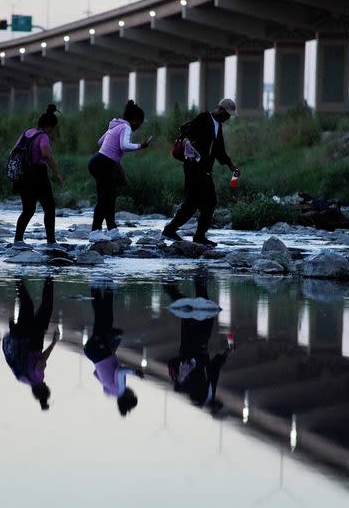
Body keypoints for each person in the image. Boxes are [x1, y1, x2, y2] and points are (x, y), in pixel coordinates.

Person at [162, 98, 240, 247]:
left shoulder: (218, 125)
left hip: (204, 169)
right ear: (221, 110)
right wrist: (186, 142)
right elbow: (187, 133)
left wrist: (232, 166)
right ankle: (197, 236)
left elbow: (219, 150)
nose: (228, 117)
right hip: (194, 167)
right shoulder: (204, 118)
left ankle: (172, 230)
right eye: (228, 114)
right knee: (209, 202)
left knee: (192, 203)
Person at [165, 273, 233, 416]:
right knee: (203, 312)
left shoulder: (199, 399)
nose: (221, 405)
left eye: (219, 409)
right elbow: (213, 371)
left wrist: (183, 377)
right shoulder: (210, 395)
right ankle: (198, 279)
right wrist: (227, 352)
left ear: (212, 410)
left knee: (190, 314)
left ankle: (170, 287)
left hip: (190, 351)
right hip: (201, 348)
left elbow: (181, 387)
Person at [87, 100, 152, 242]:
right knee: (104, 199)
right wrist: (141, 146)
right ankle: (94, 231)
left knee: (110, 197)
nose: (138, 127)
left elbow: (100, 142)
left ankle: (112, 230)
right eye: (139, 123)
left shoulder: (115, 126)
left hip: (99, 162)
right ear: (134, 120)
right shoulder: (126, 127)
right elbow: (124, 146)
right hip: (103, 164)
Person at [83, 281, 143, 416]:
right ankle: (97, 286)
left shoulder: (120, 390)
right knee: (103, 319)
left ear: (127, 397)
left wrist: (135, 372)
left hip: (100, 351)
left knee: (104, 319)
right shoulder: (109, 390)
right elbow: (96, 374)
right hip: (92, 352)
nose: (131, 390)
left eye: (132, 394)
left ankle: (104, 287)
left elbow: (120, 372)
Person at [13, 104, 64, 250]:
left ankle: (17, 241)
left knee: (28, 209)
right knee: (49, 208)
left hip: (23, 175)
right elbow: (46, 155)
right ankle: (51, 243)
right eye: (53, 129)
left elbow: (14, 151)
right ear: (50, 126)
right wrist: (56, 173)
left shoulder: (27, 133)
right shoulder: (43, 136)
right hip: (38, 175)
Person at [2, 277, 57, 410]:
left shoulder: (38, 378)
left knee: (47, 305)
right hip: (20, 336)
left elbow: (41, 361)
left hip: (35, 338)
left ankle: (49, 276)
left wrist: (54, 342)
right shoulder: (21, 378)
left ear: (44, 388)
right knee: (27, 304)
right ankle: (18, 277)